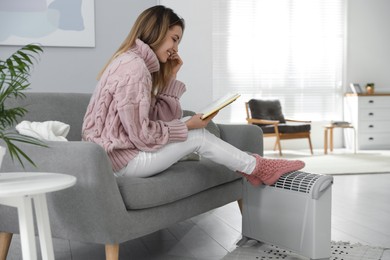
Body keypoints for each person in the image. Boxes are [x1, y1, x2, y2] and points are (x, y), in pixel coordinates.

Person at [82, 5, 305, 186]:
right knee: (197, 135)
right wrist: (188, 126)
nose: (175, 49)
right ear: (157, 31)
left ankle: (253, 168)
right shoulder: (134, 68)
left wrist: (170, 77)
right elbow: (143, 136)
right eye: (174, 39)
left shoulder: (132, 62)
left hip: (116, 157)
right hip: (120, 163)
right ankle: (259, 168)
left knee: (193, 130)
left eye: (178, 41)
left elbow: (158, 121)